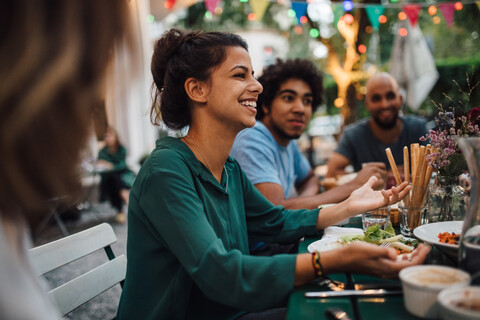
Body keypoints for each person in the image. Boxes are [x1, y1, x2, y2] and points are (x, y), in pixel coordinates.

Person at [116, 28, 430, 320]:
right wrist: (334, 259)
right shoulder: (166, 172)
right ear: (197, 89)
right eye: (240, 75)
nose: (258, 86)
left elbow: (274, 221)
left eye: (253, 75)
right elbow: (222, 275)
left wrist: (347, 207)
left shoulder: (228, 168)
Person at [0, 1, 133, 319]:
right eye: (92, 69)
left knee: (115, 178)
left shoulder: (11, 225)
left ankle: (119, 207)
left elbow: (118, 164)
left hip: (120, 175)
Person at [230, 59, 387, 211]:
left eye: (307, 101)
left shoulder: (287, 142)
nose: (300, 109)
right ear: (265, 105)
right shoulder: (252, 137)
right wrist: (354, 185)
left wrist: (302, 202)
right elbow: (275, 212)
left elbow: (310, 179)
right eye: (288, 98)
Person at [326, 72, 428, 181]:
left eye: (390, 96)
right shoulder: (353, 135)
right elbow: (331, 173)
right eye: (376, 98)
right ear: (367, 104)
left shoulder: (418, 128)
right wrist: (375, 177)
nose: (385, 104)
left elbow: (437, 168)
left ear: (400, 99)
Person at [97, 126, 135, 223]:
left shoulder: (121, 148)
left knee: (115, 179)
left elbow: (122, 165)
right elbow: (101, 165)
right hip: (109, 179)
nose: (108, 138)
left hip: (123, 176)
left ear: (115, 137)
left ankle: (120, 211)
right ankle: (126, 198)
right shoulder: (102, 151)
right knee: (113, 179)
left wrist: (110, 165)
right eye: (106, 136)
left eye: (110, 136)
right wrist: (110, 166)